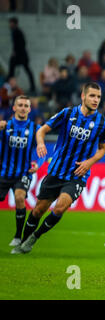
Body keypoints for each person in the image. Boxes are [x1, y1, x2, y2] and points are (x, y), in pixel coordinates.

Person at [11, 82, 105, 254]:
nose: (96, 100)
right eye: (92, 96)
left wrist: (90, 162)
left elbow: (102, 149)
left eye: (98, 97)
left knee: (59, 208)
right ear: (83, 96)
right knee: (38, 211)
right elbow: (41, 131)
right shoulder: (68, 113)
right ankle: (23, 241)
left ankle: (35, 237)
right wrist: (41, 143)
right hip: (56, 171)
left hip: (78, 174)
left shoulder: (103, 123)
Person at [0, 95, 40, 246]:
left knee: (19, 197)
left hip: (23, 173)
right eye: (20, 105)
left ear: (30, 109)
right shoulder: (4, 126)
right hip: (4, 173)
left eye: (26, 106)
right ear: (14, 108)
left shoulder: (35, 129)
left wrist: (38, 164)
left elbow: (42, 151)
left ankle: (18, 236)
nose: (23, 108)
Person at [7, 17, 36, 93]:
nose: (10, 25)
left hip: (21, 56)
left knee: (24, 70)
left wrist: (15, 52)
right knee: (12, 69)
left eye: (11, 23)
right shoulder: (14, 31)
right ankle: (10, 86)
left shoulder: (18, 32)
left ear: (15, 23)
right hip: (19, 55)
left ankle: (32, 87)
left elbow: (22, 44)